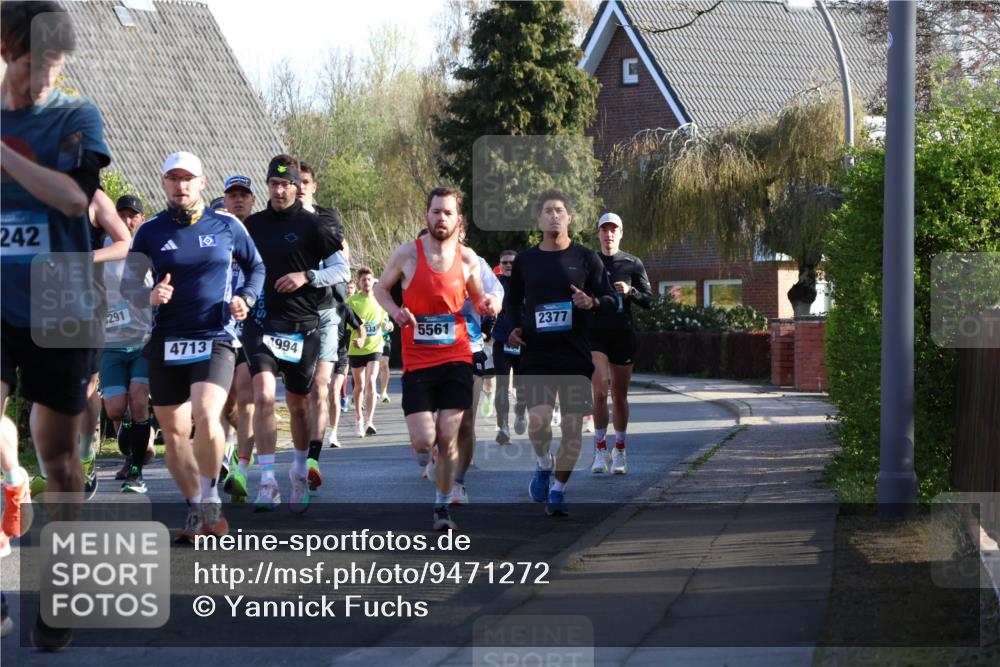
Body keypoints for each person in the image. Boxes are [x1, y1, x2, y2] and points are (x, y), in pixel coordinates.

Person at [1, 1, 111, 649]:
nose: (45, 75)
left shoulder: (76, 116)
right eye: (34, 62)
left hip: (62, 301)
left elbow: (73, 198)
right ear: (5, 50)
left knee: (60, 458)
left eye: (56, 63)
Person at [128, 151, 264, 540]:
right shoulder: (149, 231)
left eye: (188, 179)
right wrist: (149, 295)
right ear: (163, 183)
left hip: (214, 335)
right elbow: (128, 284)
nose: (181, 186)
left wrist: (247, 298)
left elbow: (256, 267)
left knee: (206, 413)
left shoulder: (226, 225)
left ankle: (211, 499)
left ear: (202, 183)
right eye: (173, 179)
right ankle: (195, 507)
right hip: (166, 339)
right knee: (173, 434)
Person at [374, 186, 497, 531]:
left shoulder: (468, 259)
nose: (441, 218)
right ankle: (423, 453)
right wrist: (396, 312)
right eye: (436, 212)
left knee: (447, 436)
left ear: (458, 219)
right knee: (423, 443)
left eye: (448, 213)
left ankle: (442, 508)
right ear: (426, 215)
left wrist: (488, 304)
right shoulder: (406, 254)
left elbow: (477, 300)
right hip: (417, 361)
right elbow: (380, 289)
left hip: (456, 356)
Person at [506, 189, 616, 517]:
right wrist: (514, 327)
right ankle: (544, 463)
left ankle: (558, 490)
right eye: (548, 211)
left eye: (560, 211)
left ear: (569, 217)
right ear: (539, 219)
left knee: (571, 428)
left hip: (574, 356)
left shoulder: (586, 258)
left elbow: (610, 298)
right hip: (537, 354)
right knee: (539, 423)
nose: (554, 216)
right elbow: (512, 302)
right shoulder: (526, 261)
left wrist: (592, 302)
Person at [242, 155, 343, 513]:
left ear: (297, 187)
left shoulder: (314, 225)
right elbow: (235, 265)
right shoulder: (253, 225)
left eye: (286, 184)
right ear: (267, 186)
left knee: (299, 406)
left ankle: (299, 472)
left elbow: (341, 270)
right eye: (274, 184)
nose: (280, 190)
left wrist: (307, 277)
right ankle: (267, 482)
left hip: (303, 327)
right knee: (263, 395)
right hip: (261, 322)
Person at [297, 163, 350, 487]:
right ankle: (301, 454)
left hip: (326, 310)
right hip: (291, 316)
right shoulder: (278, 222)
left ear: (313, 186)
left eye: (305, 181)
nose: (300, 186)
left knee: (321, 386)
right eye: (296, 181)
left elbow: (342, 263)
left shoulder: (327, 219)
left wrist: (310, 276)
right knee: (299, 395)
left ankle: (313, 460)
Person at [588, 213, 653, 475]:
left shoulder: (632, 263)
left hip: (623, 334)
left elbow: (649, 300)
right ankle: (600, 449)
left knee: (620, 396)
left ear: (621, 233)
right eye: (604, 230)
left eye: (613, 230)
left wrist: (630, 291)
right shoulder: (590, 261)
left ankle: (620, 450)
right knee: (599, 391)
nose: (609, 234)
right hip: (595, 334)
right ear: (599, 234)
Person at [99, 194, 155, 492]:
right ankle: (135, 443)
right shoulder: (103, 248)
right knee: (115, 409)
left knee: (138, 400)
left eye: (133, 215)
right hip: (110, 341)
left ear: (141, 218)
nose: (127, 220)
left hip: (143, 340)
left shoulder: (149, 247)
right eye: (121, 215)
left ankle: (136, 470)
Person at [452, 224, 504, 505]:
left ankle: (458, 482)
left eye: (457, 226)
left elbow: (496, 290)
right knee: (436, 423)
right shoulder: (418, 258)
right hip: (431, 350)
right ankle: (436, 453)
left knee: (467, 419)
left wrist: (492, 301)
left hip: (469, 346)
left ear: (461, 230)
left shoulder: (474, 261)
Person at [218, 175, 258, 503]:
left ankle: (239, 468)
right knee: (224, 404)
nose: (238, 200)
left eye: (243, 195)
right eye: (232, 195)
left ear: (252, 200)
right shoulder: (214, 231)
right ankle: (233, 449)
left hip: (252, 329)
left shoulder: (259, 232)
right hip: (219, 328)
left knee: (246, 399)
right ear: (224, 199)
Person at [490, 249, 527, 443]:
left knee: (521, 384)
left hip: (523, 342)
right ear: (499, 265)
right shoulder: (495, 285)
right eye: (504, 262)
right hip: (502, 341)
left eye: (512, 262)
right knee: (502, 386)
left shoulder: (527, 283)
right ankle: (503, 426)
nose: (508, 265)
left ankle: (520, 412)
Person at [345, 267, 385, 438]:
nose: (367, 282)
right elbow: (347, 325)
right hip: (357, 347)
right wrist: (357, 329)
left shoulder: (380, 299)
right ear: (359, 282)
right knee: (359, 385)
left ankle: (369, 421)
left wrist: (388, 325)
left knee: (371, 381)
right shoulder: (352, 301)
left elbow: (385, 320)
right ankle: (358, 418)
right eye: (363, 280)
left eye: (369, 279)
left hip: (375, 346)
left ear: (373, 281)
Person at [325, 279, 363, 447]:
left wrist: (361, 339)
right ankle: (319, 428)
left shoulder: (344, 308)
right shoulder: (316, 307)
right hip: (321, 355)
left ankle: (333, 433)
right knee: (320, 394)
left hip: (340, 354)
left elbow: (360, 327)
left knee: (334, 391)